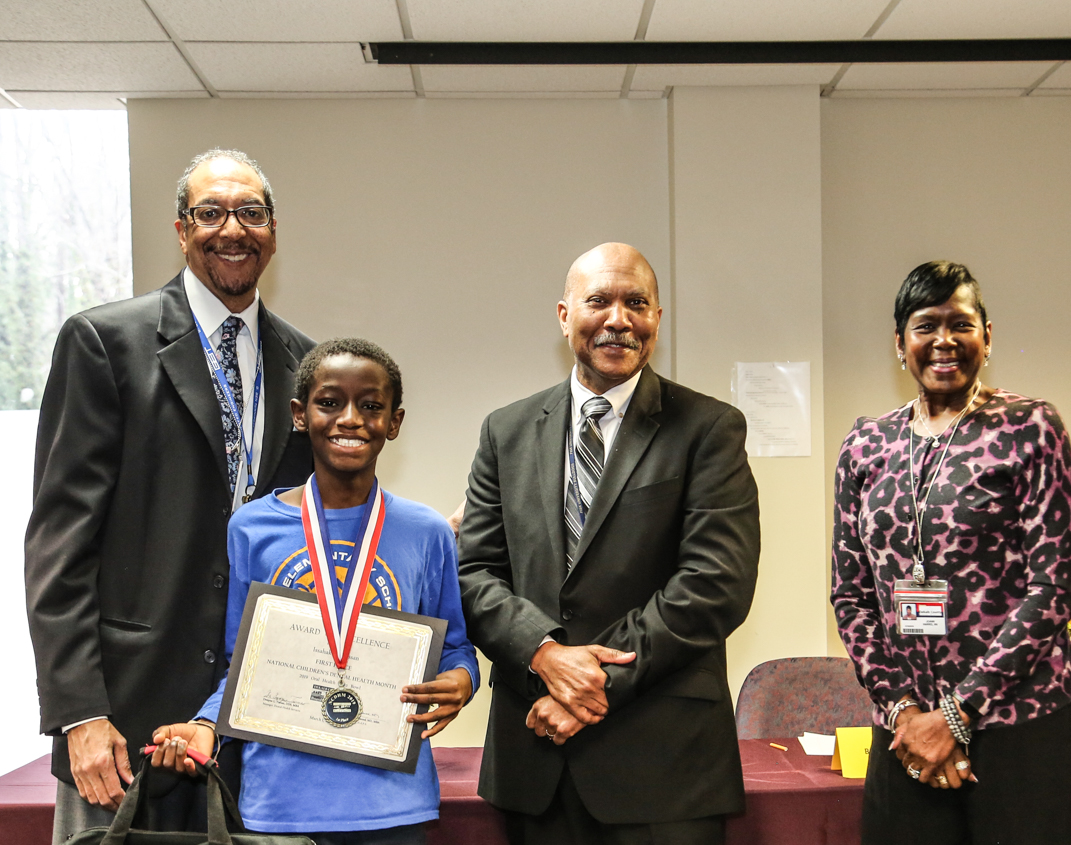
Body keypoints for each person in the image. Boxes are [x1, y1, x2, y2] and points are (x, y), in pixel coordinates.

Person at [25, 149, 316, 842]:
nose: (232, 229)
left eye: (250, 212)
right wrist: (79, 712)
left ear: (274, 231)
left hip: (252, 722)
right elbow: (60, 544)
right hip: (123, 723)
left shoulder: (305, 364)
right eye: (211, 212)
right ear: (182, 230)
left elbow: (309, 533)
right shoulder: (105, 342)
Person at [457, 242, 760, 845]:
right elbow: (475, 573)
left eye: (636, 304)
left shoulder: (708, 428)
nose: (618, 319)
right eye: (599, 301)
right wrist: (545, 653)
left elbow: (714, 583)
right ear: (565, 315)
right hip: (535, 761)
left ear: (657, 319)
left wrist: (587, 686)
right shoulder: (505, 431)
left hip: (664, 768)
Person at [150, 338, 479, 845]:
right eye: (329, 402)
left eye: (371, 406)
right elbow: (243, 664)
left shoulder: (426, 532)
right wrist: (207, 725)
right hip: (280, 804)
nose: (350, 419)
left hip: (392, 804)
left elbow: (455, 647)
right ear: (300, 415)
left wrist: (461, 680)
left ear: (394, 422)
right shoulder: (252, 529)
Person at [831, 261, 1071, 845]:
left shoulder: (1030, 428)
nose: (944, 340)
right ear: (900, 344)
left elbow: (1052, 588)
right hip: (905, 730)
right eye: (925, 326)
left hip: (1016, 724)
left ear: (986, 337)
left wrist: (956, 715)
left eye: (960, 324)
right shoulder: (866, 444)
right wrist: (904, 711)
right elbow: (850, 595)